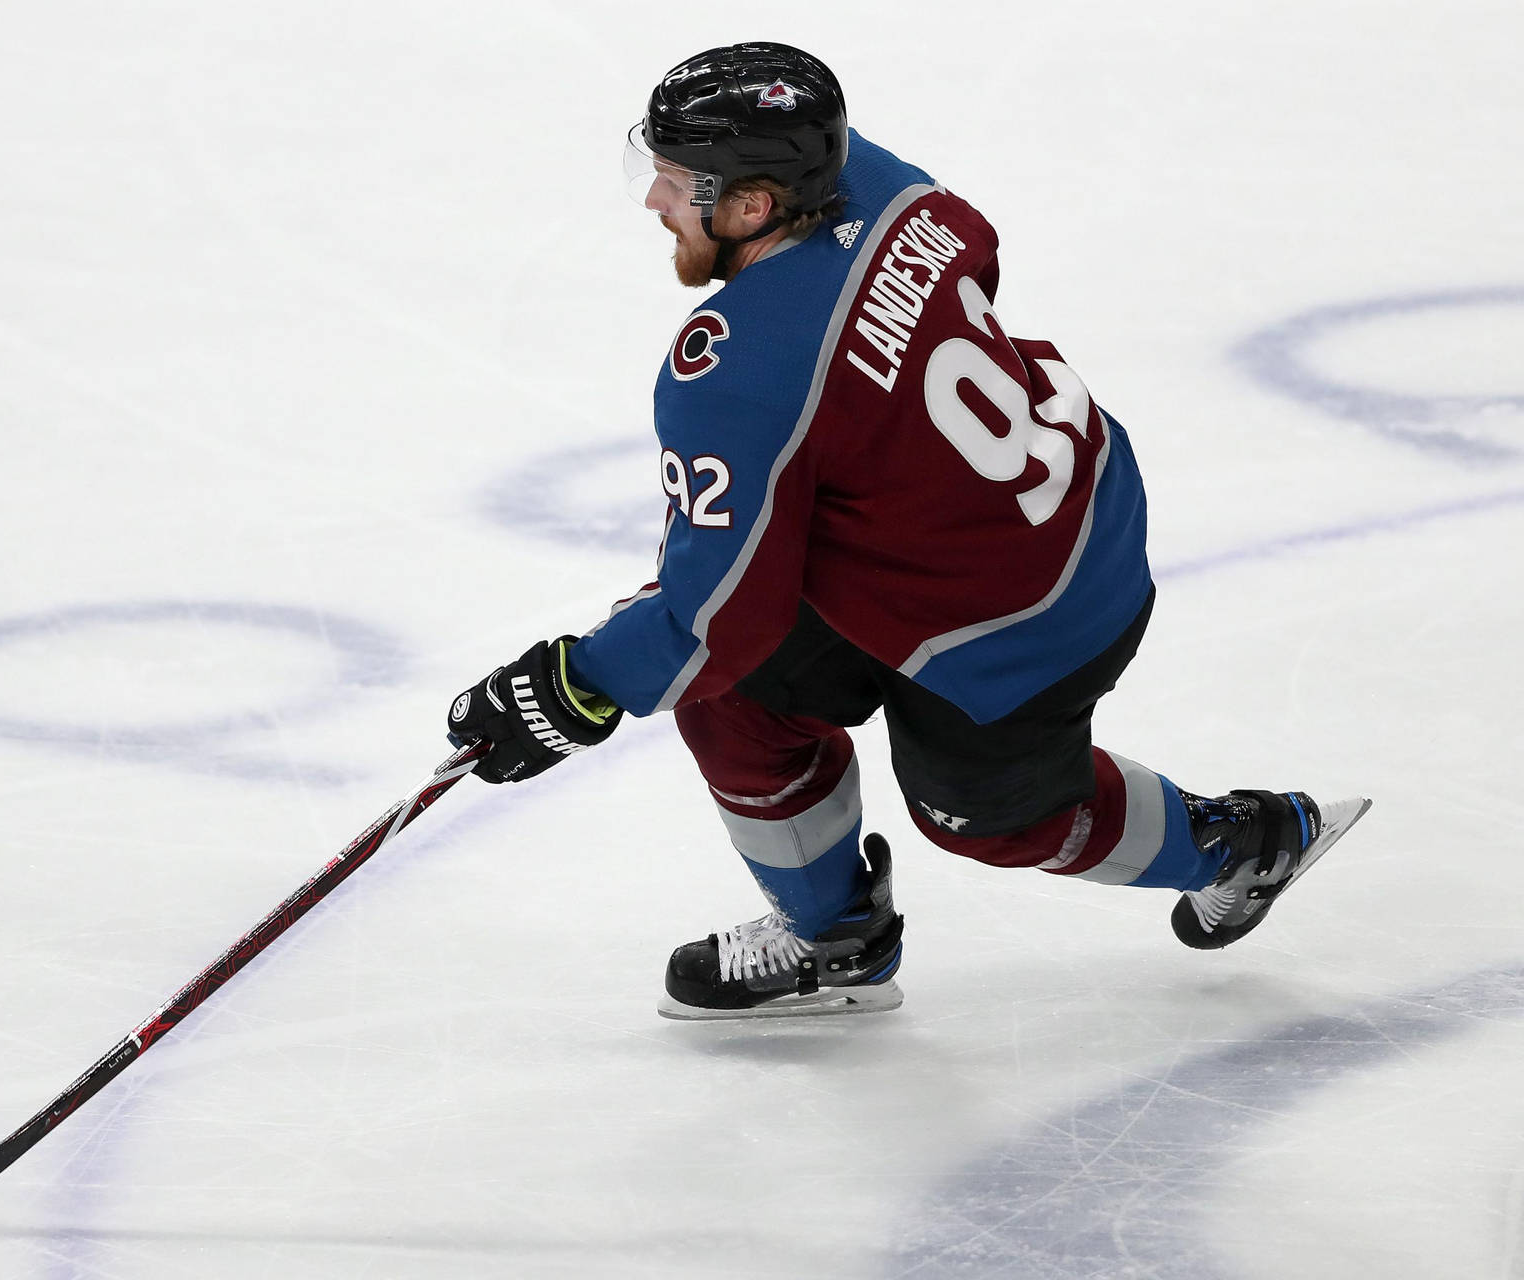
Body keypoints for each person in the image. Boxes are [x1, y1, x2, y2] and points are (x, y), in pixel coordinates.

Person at [445, 42, 1370, 1020]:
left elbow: (713, 619)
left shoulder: (738, 368)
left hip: (1025, 613)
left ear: (755, 206)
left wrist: (568, 689)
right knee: (732, 700)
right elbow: (959, 256)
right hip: (1043, 493)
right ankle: (833, 938)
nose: (654, 204)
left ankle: (1241, 841)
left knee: (986, 818)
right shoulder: (878, 184)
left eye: (676, 185)